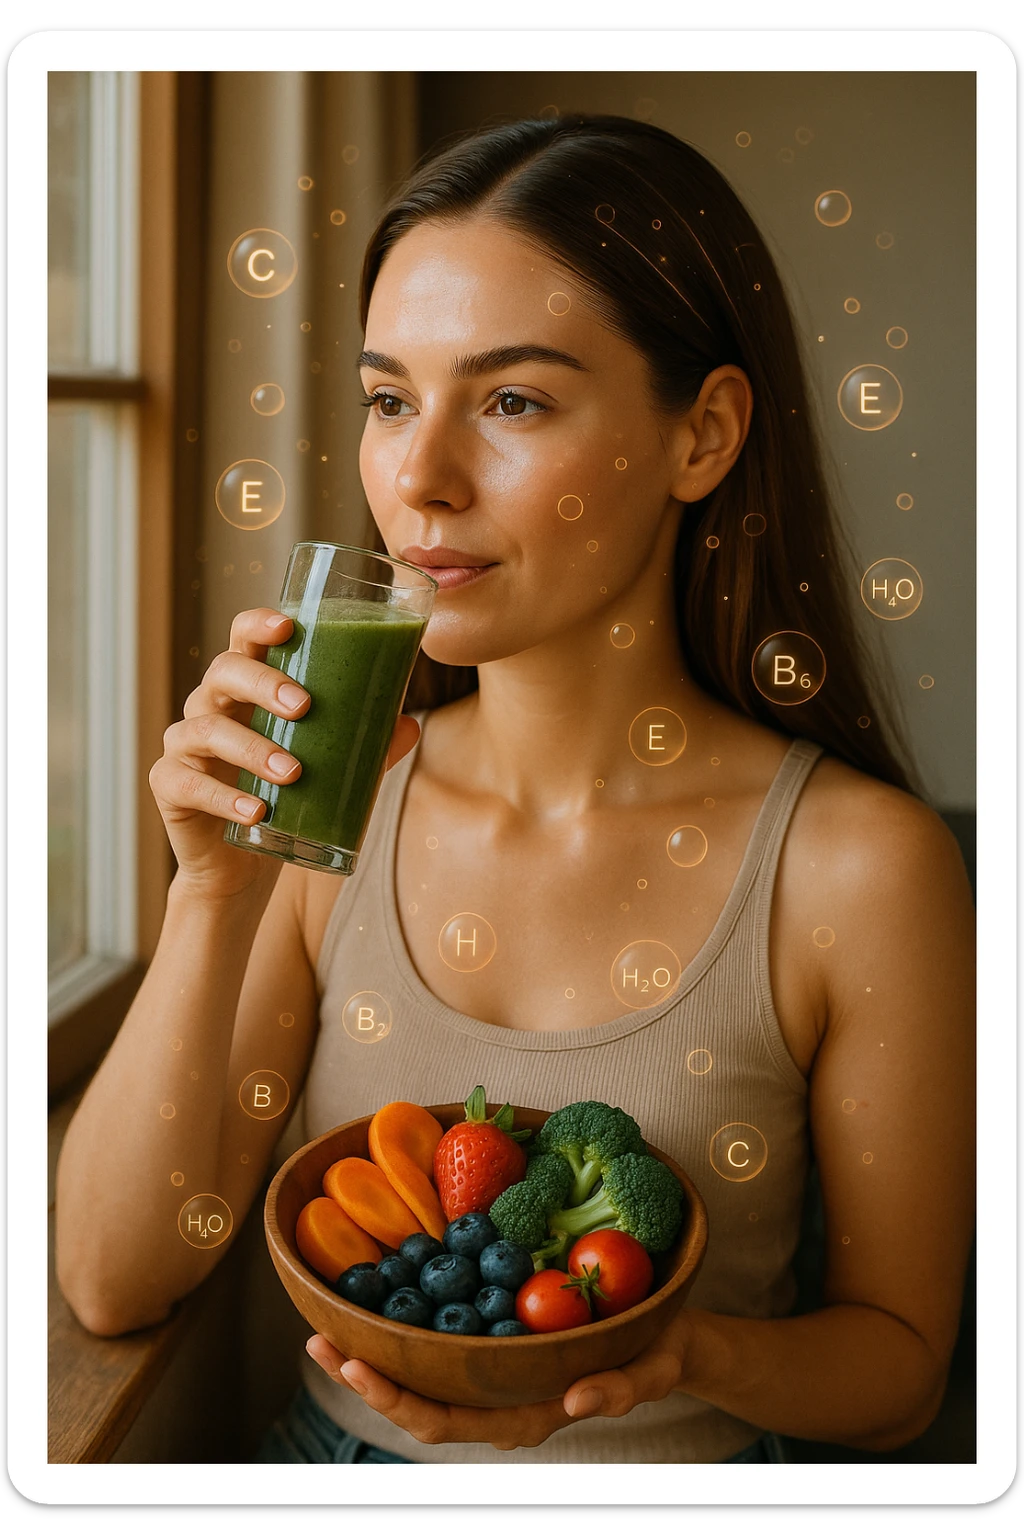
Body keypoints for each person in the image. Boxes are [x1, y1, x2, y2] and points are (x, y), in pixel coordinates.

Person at [55, 114, 975, 1467]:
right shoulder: (335, 814)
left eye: (513, 401)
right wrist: (213, 896)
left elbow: (897, 1375)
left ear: (703, 436)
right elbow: (112, 1278)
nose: (417, 479)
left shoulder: (860, 869)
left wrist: (687, 1352)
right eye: (387, 399)